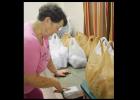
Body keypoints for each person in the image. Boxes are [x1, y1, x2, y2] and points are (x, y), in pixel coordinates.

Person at [24, 3, 70, 99]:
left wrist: (55, 71)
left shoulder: (42, 32)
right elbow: (29, 79)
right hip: (26, 84)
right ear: (48, 20)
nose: (57, 31)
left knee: (39, 95)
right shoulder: (28, 40)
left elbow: (47, 56)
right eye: (57, 27)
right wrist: (54, 82)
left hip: (29, 86)